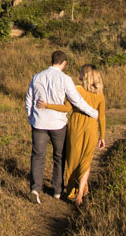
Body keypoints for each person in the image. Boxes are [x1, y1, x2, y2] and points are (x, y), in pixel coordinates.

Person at [24, 51, 97, 204]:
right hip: (58, 124)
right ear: (64, 63)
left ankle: (35, 189)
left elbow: (29, 99)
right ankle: (57, 190)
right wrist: (92, 112)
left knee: (38, 156)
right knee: (59, 156)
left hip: (39, 122)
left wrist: (31, 117)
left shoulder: (37, 76)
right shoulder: (65, 79)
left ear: (52, 61)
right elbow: (76, 100)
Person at [40, 65, 106, 205]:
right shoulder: (99, 93)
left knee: (73, 159)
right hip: (92, 128)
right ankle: (82, 191)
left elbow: (67, 108)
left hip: (76, 126)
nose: (79, 74)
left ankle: (75, 190)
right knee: (86, 159)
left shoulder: (76, 90)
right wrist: (102, 136)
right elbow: (102, 116)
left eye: (81, 72)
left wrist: (48, 105)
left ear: (86, 76)